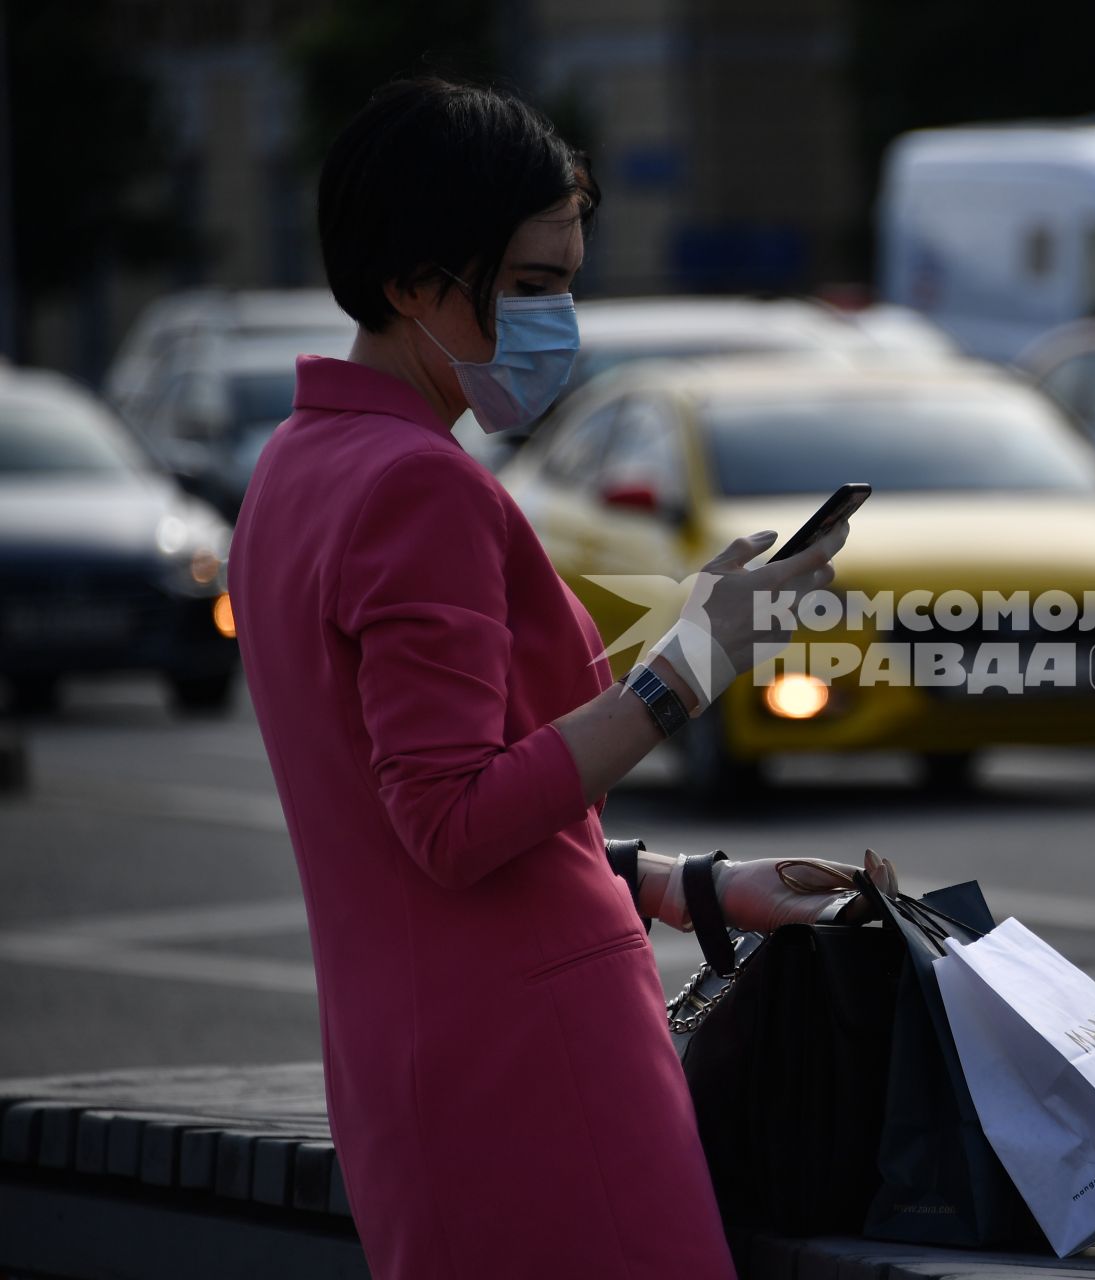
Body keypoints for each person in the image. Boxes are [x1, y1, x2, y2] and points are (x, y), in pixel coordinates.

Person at [227, 77, 872, 1279]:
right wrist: (694, 663)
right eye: (530, 287)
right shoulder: (417, 485)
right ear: (419, 283)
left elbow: (430, 816)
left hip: (419, 1062)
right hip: (533, 1068)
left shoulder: (298, 465)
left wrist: (690, 884)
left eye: (568, 281)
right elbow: (454, 819)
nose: (557, 320)